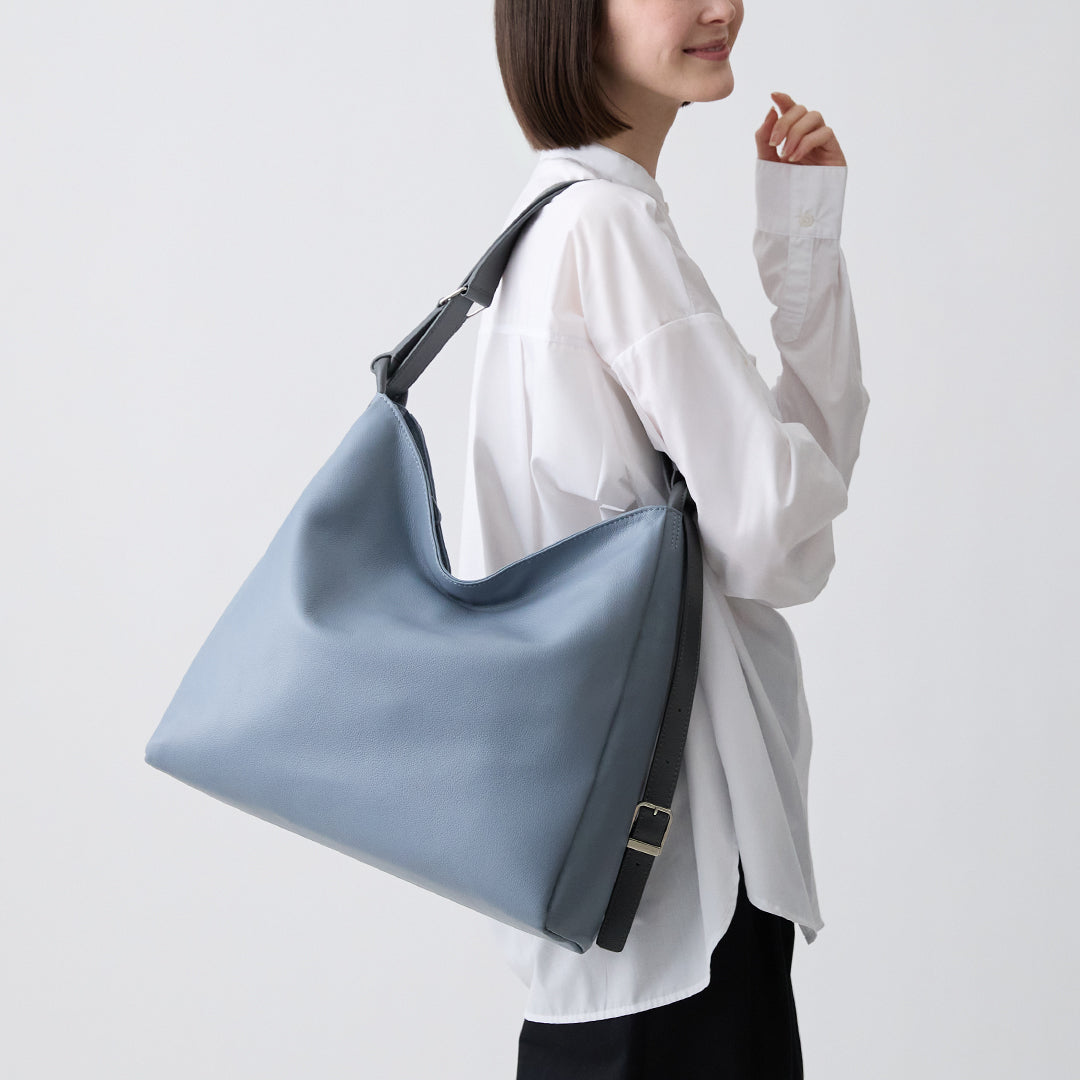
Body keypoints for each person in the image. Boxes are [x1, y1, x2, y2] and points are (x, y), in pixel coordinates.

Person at [455, 1, 870, 1076]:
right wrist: (806, 261)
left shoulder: (548, 223)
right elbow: (778, 537)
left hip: (605, 902)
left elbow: (771, 507)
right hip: (682, 884)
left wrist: (804, 246)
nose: (720, 6)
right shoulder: (609, 230)